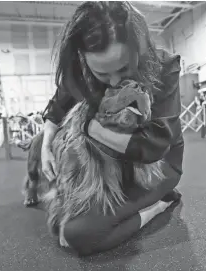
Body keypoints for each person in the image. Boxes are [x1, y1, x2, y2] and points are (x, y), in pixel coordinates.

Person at [41, 1, 184, 256]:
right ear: (83, 59)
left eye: (123, 68)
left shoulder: (165, 65)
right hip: (106, 170)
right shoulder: (81, 69)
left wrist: (88, 127)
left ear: (138, 48)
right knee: (65, 230)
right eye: (102, 74)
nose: (115, 81)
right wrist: (45, 146)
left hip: (157, 167)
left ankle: (156, 207)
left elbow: (155, 146)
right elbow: (57, 107)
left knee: (79, 235)